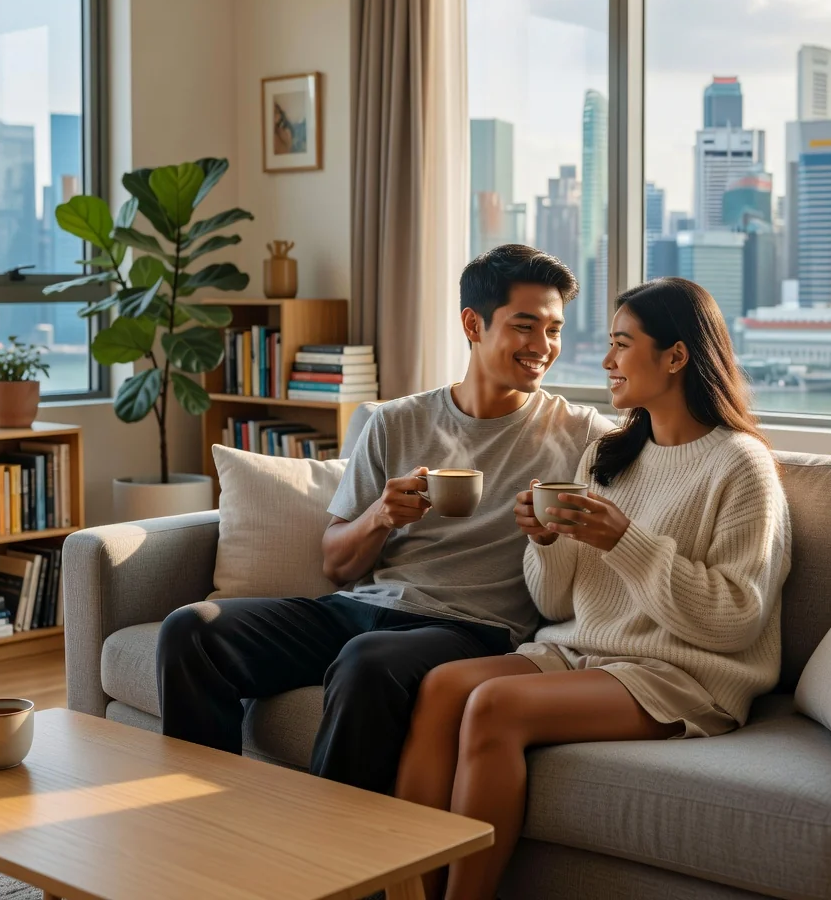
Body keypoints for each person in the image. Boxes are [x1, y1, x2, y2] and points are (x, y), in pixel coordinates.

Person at [156, 244, 612, 794]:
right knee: (193, 629)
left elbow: (662, 450)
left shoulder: (581, 434)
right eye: (526, 326)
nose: (544, 347)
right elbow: (336, 565)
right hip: (358, 611)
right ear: (473, 323)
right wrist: (380, 516)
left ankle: (347, 871)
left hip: (470, 630)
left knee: (367, 661)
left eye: (555, 330)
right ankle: (198, 823)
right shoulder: (395, 422)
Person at [394, 277, 791, 900]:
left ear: (676, 356)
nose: (606, 361)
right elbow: (556, 606)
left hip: (680, 674)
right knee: (444, 687)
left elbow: (735, 620)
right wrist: (545, 543)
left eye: (621, 345)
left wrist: (624, 543)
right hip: (583, 651)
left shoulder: (740, 465)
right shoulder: (609, 454)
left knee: (494, 706)